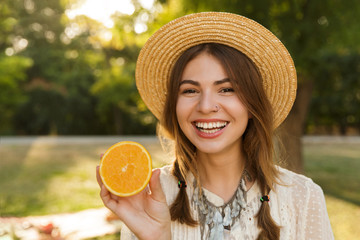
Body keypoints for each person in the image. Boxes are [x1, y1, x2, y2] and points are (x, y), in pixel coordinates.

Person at [96, 12, 334, 240]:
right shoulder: (149, 199)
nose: (206, 106)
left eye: (227, 89)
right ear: (174, 106)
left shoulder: (303, 197)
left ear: (252, 105)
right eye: (190, 90)